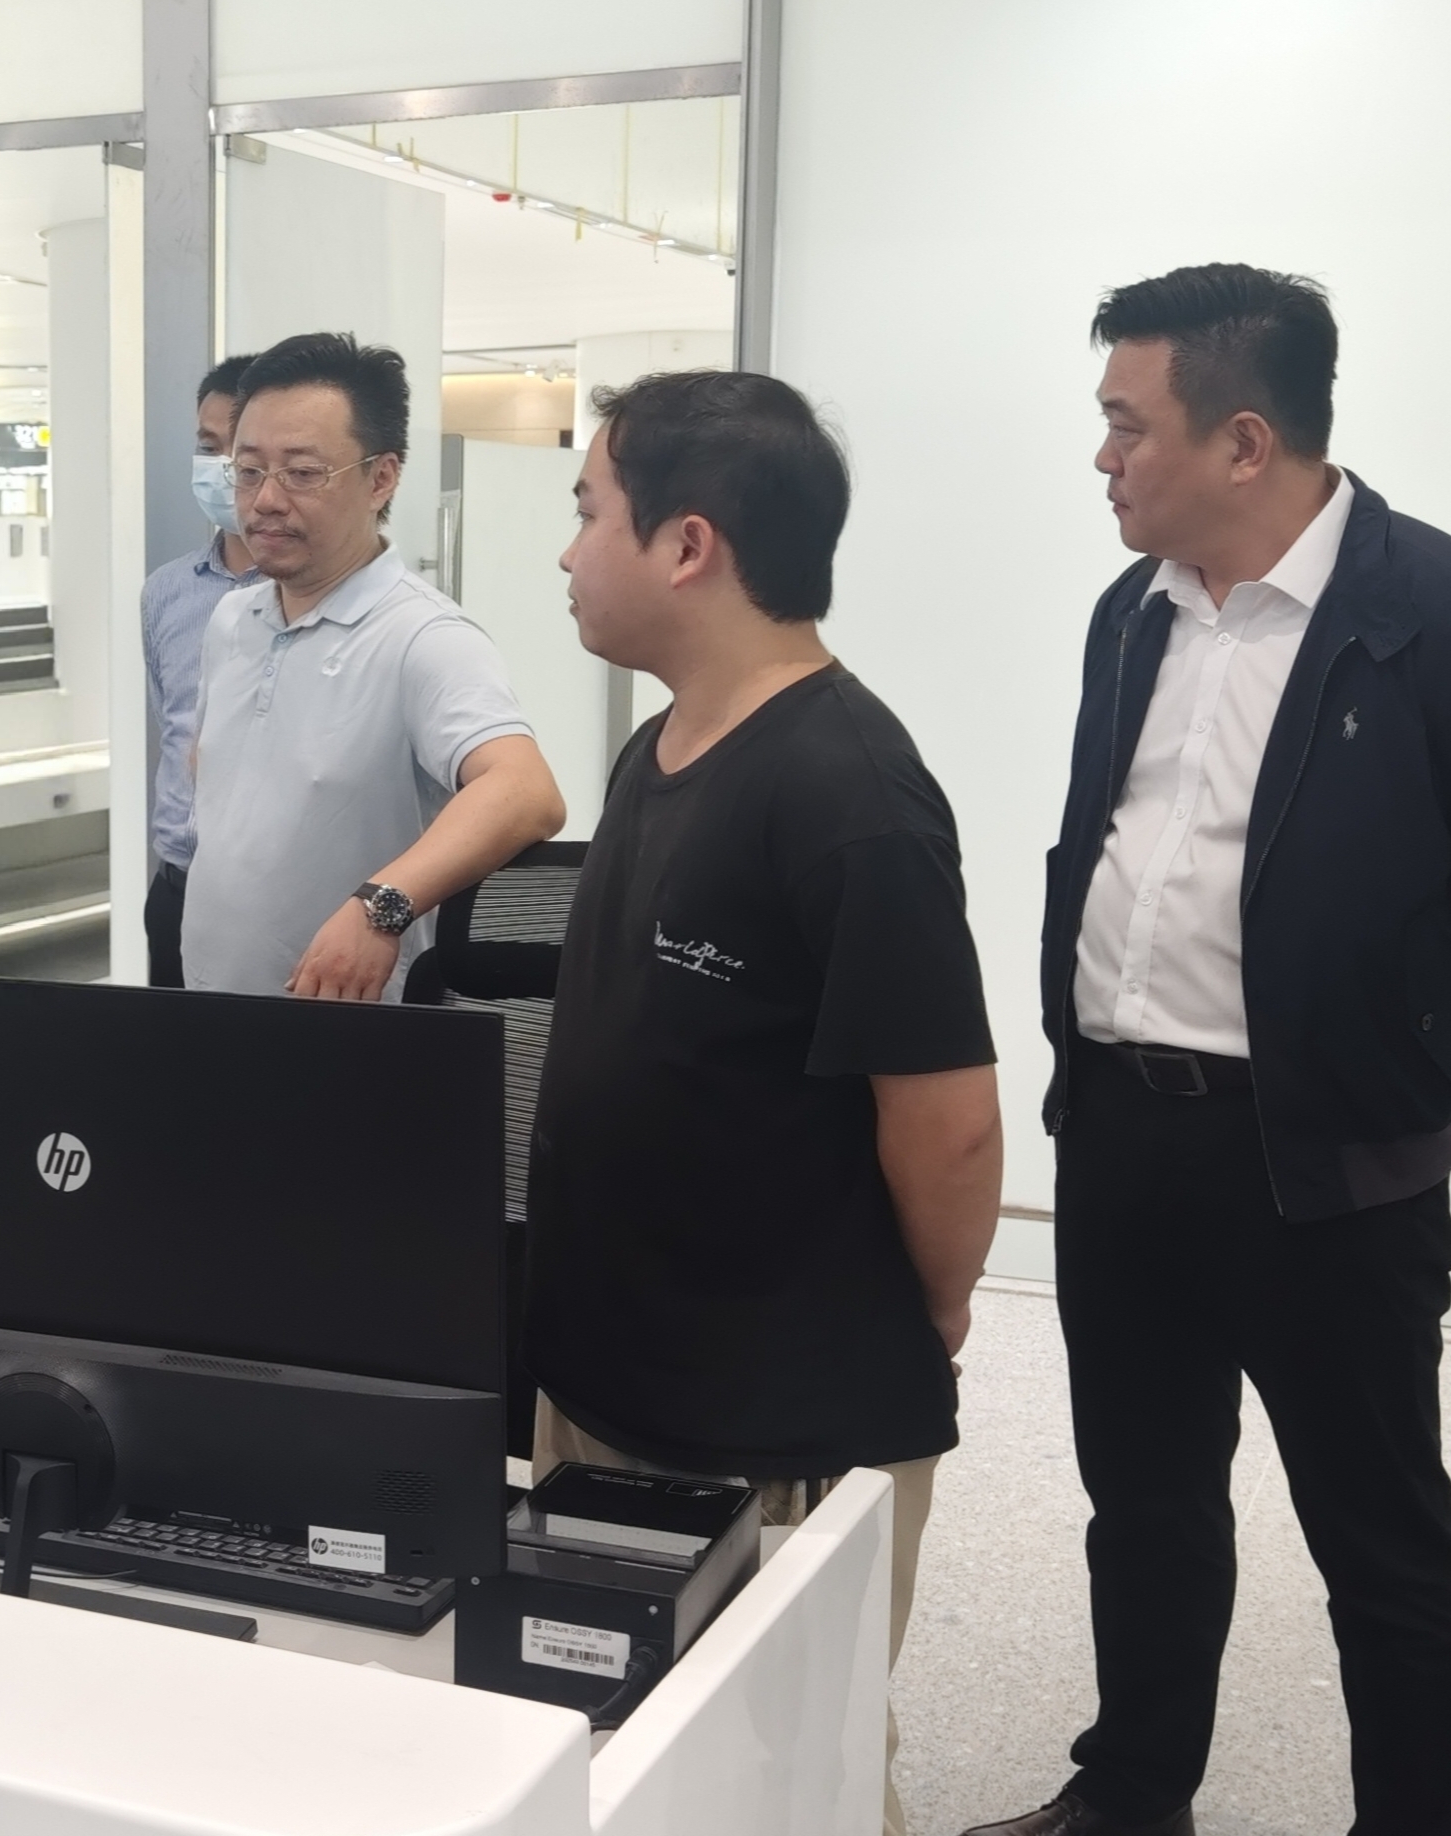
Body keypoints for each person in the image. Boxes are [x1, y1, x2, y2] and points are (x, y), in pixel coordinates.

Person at [971, 266, 1451, 1836]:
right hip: (1127, 1128)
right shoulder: (1136, 611)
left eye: (1129, 425)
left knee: (1382, 1537)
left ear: (1245, 442)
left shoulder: (1424, 613)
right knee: (1145, 1500)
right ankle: (1133, 1791)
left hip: (1329, 1158)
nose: (1103, 456)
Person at [523, 369, 1001, 1836]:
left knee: (793, 1773)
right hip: (617, 1371)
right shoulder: (660, 746)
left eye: (588, 512)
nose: (566, 552)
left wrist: (929, 1309)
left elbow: (950, 1124)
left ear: (689, 546)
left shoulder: (851, 792)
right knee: (622, 1744)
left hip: (778, 1411)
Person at [180, 331, 564, 999]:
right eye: (248, 471)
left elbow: (525, 793)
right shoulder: (233, 620)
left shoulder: (423, 637)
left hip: (349, 1022)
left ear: (380, 478)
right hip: (216, 1008)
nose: (266, 499)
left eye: (302, 473)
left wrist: (378, 908)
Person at [139, 354, 262, 988]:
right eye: (207, 447)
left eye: (239, 451)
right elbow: (173, 724)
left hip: (273, 900)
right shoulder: (167, 591)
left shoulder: (318, 596)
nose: (221, 466)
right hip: (177, 887)